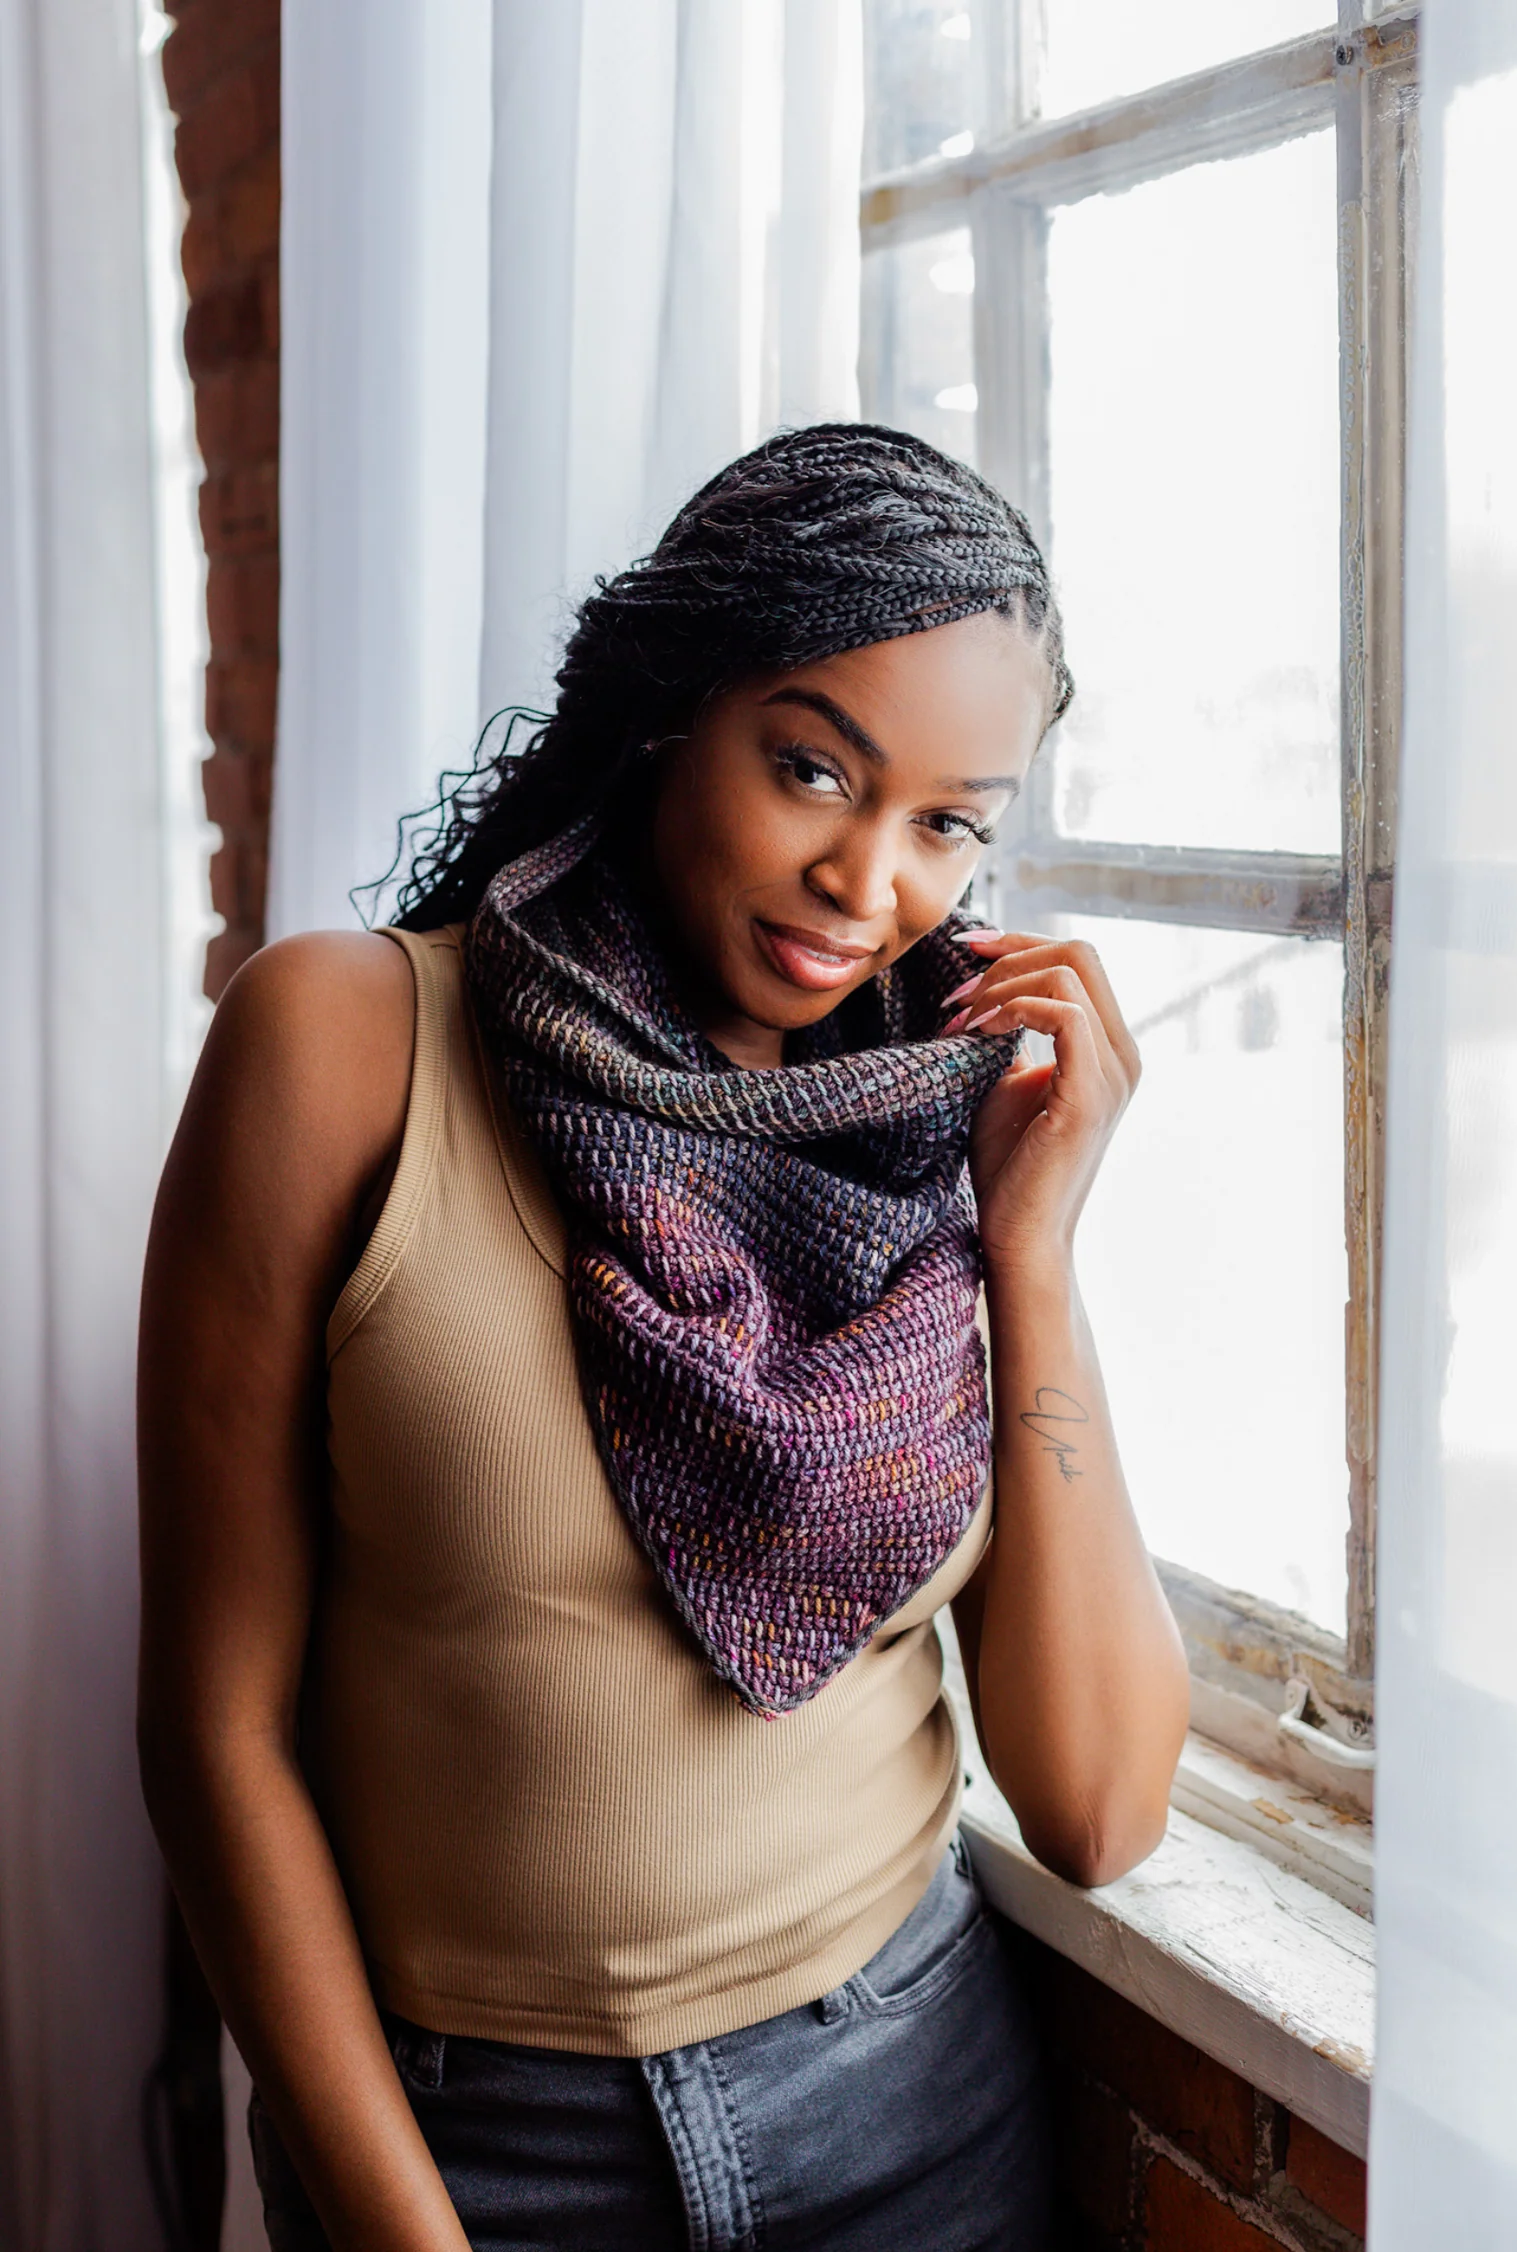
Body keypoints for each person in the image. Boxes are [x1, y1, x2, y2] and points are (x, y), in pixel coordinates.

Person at [137, 424, 1189, 2252]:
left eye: (946, 822)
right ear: (665, 710)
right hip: (472, 2154)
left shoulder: (931, 1135)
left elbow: (1096, 1807)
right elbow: (215, 1728)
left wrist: (1033, 1241)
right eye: (812, 768)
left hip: (914, 2118)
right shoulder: (346, 1046)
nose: (872, 881)